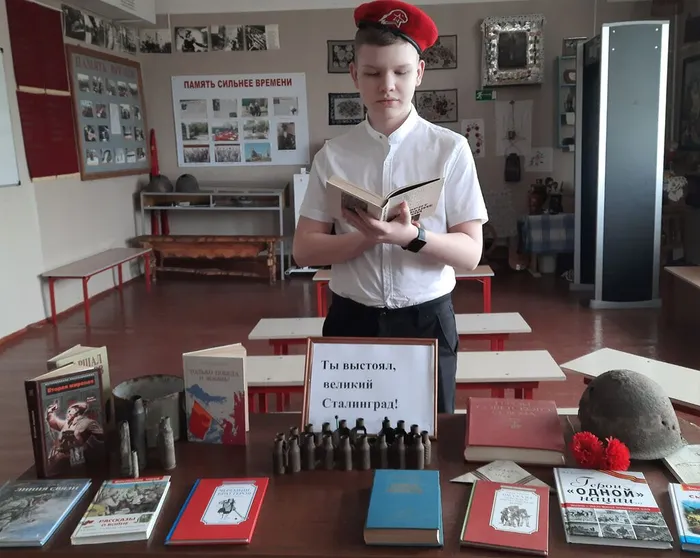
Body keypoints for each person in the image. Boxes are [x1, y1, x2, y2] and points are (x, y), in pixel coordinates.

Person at [293, 0, 488, 414]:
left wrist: (411, 237)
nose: (387, 86)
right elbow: (304, 250)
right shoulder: (332, 155)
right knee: (348, 436)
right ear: (354, 75)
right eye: (372, 73)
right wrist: (368, 238)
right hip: (351, 320)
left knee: (428, 438)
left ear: (419, 73)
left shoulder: (450, 150)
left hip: (425, 320)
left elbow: (471, 253)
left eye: (400, 72)